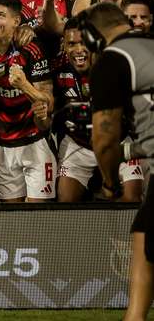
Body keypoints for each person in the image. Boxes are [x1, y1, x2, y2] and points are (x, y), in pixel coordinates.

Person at [86, 1, 154, 321]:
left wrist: (110, 182)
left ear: (93, 37)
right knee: (144, 230)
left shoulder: (113, 60)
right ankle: (134, 316)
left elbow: (104, 137)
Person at [0, 0, 55, 202]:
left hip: (35, 141)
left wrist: (24, 85)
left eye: (0, 15)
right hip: (3, 144)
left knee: (38, 215)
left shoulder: (31, 48)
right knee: (12, 216)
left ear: (16, 21)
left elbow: (48, 102)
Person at [54, 17, 143, 202]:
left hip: (118, 143)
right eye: (72, 44)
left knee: (132, 198)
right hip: (78, 145)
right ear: (64, 45)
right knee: (65, 202)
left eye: (84, 43)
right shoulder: (57, 66)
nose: (78, 50)